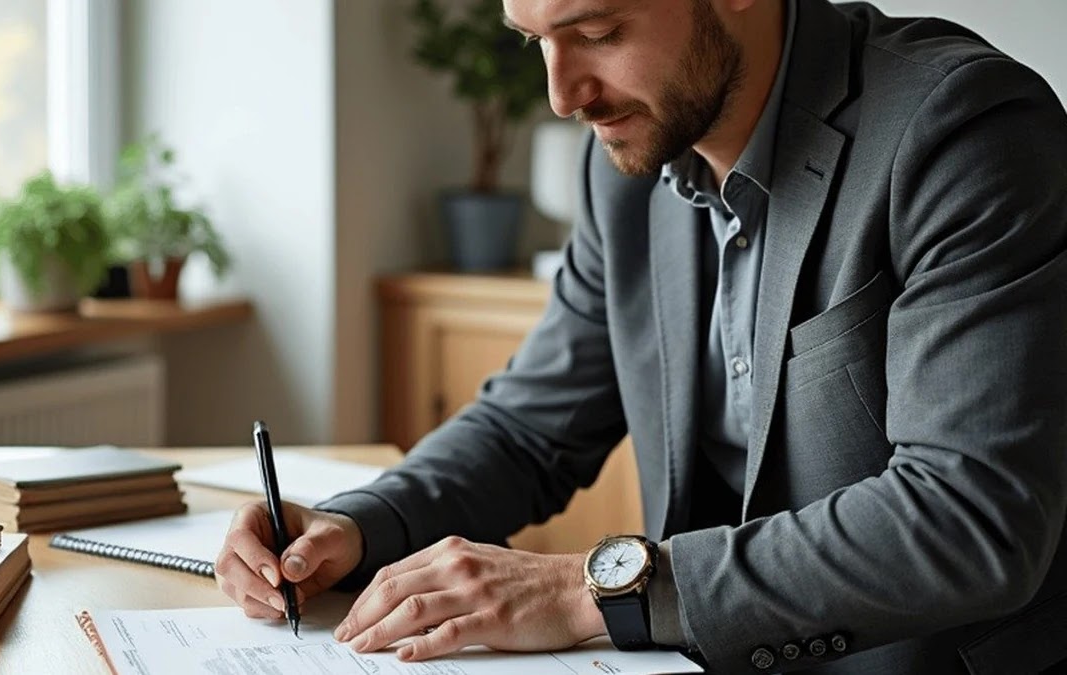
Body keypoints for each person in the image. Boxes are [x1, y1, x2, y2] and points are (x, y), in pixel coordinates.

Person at [216, 0, 1067, 672]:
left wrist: (596, 589)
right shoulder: (627, 162)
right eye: (534, 40)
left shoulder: (961, 128)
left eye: (597, 31)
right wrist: (355, 525)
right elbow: (528, 429)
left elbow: (971, 516)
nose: (562, 95)